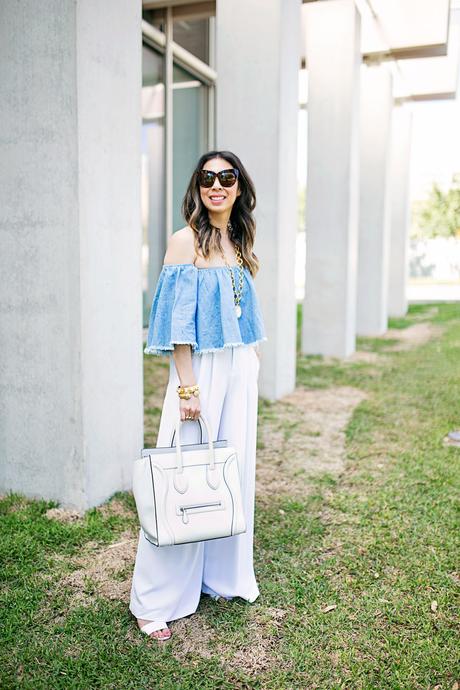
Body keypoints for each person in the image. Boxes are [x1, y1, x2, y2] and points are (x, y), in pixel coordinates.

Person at [129, 150, 267, 641]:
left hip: (237, 368)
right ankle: (155, 600)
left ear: (238, 187)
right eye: (207, 177)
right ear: (197, 186)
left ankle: (221, 577)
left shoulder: (239, 238)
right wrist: (187, 386)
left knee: (228, 472)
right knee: (182, 474)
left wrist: (250, 364)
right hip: (200, 371)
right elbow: (176, 326)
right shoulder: (183, 241)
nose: (216, 185)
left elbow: (242, 312)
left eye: (226, 177)